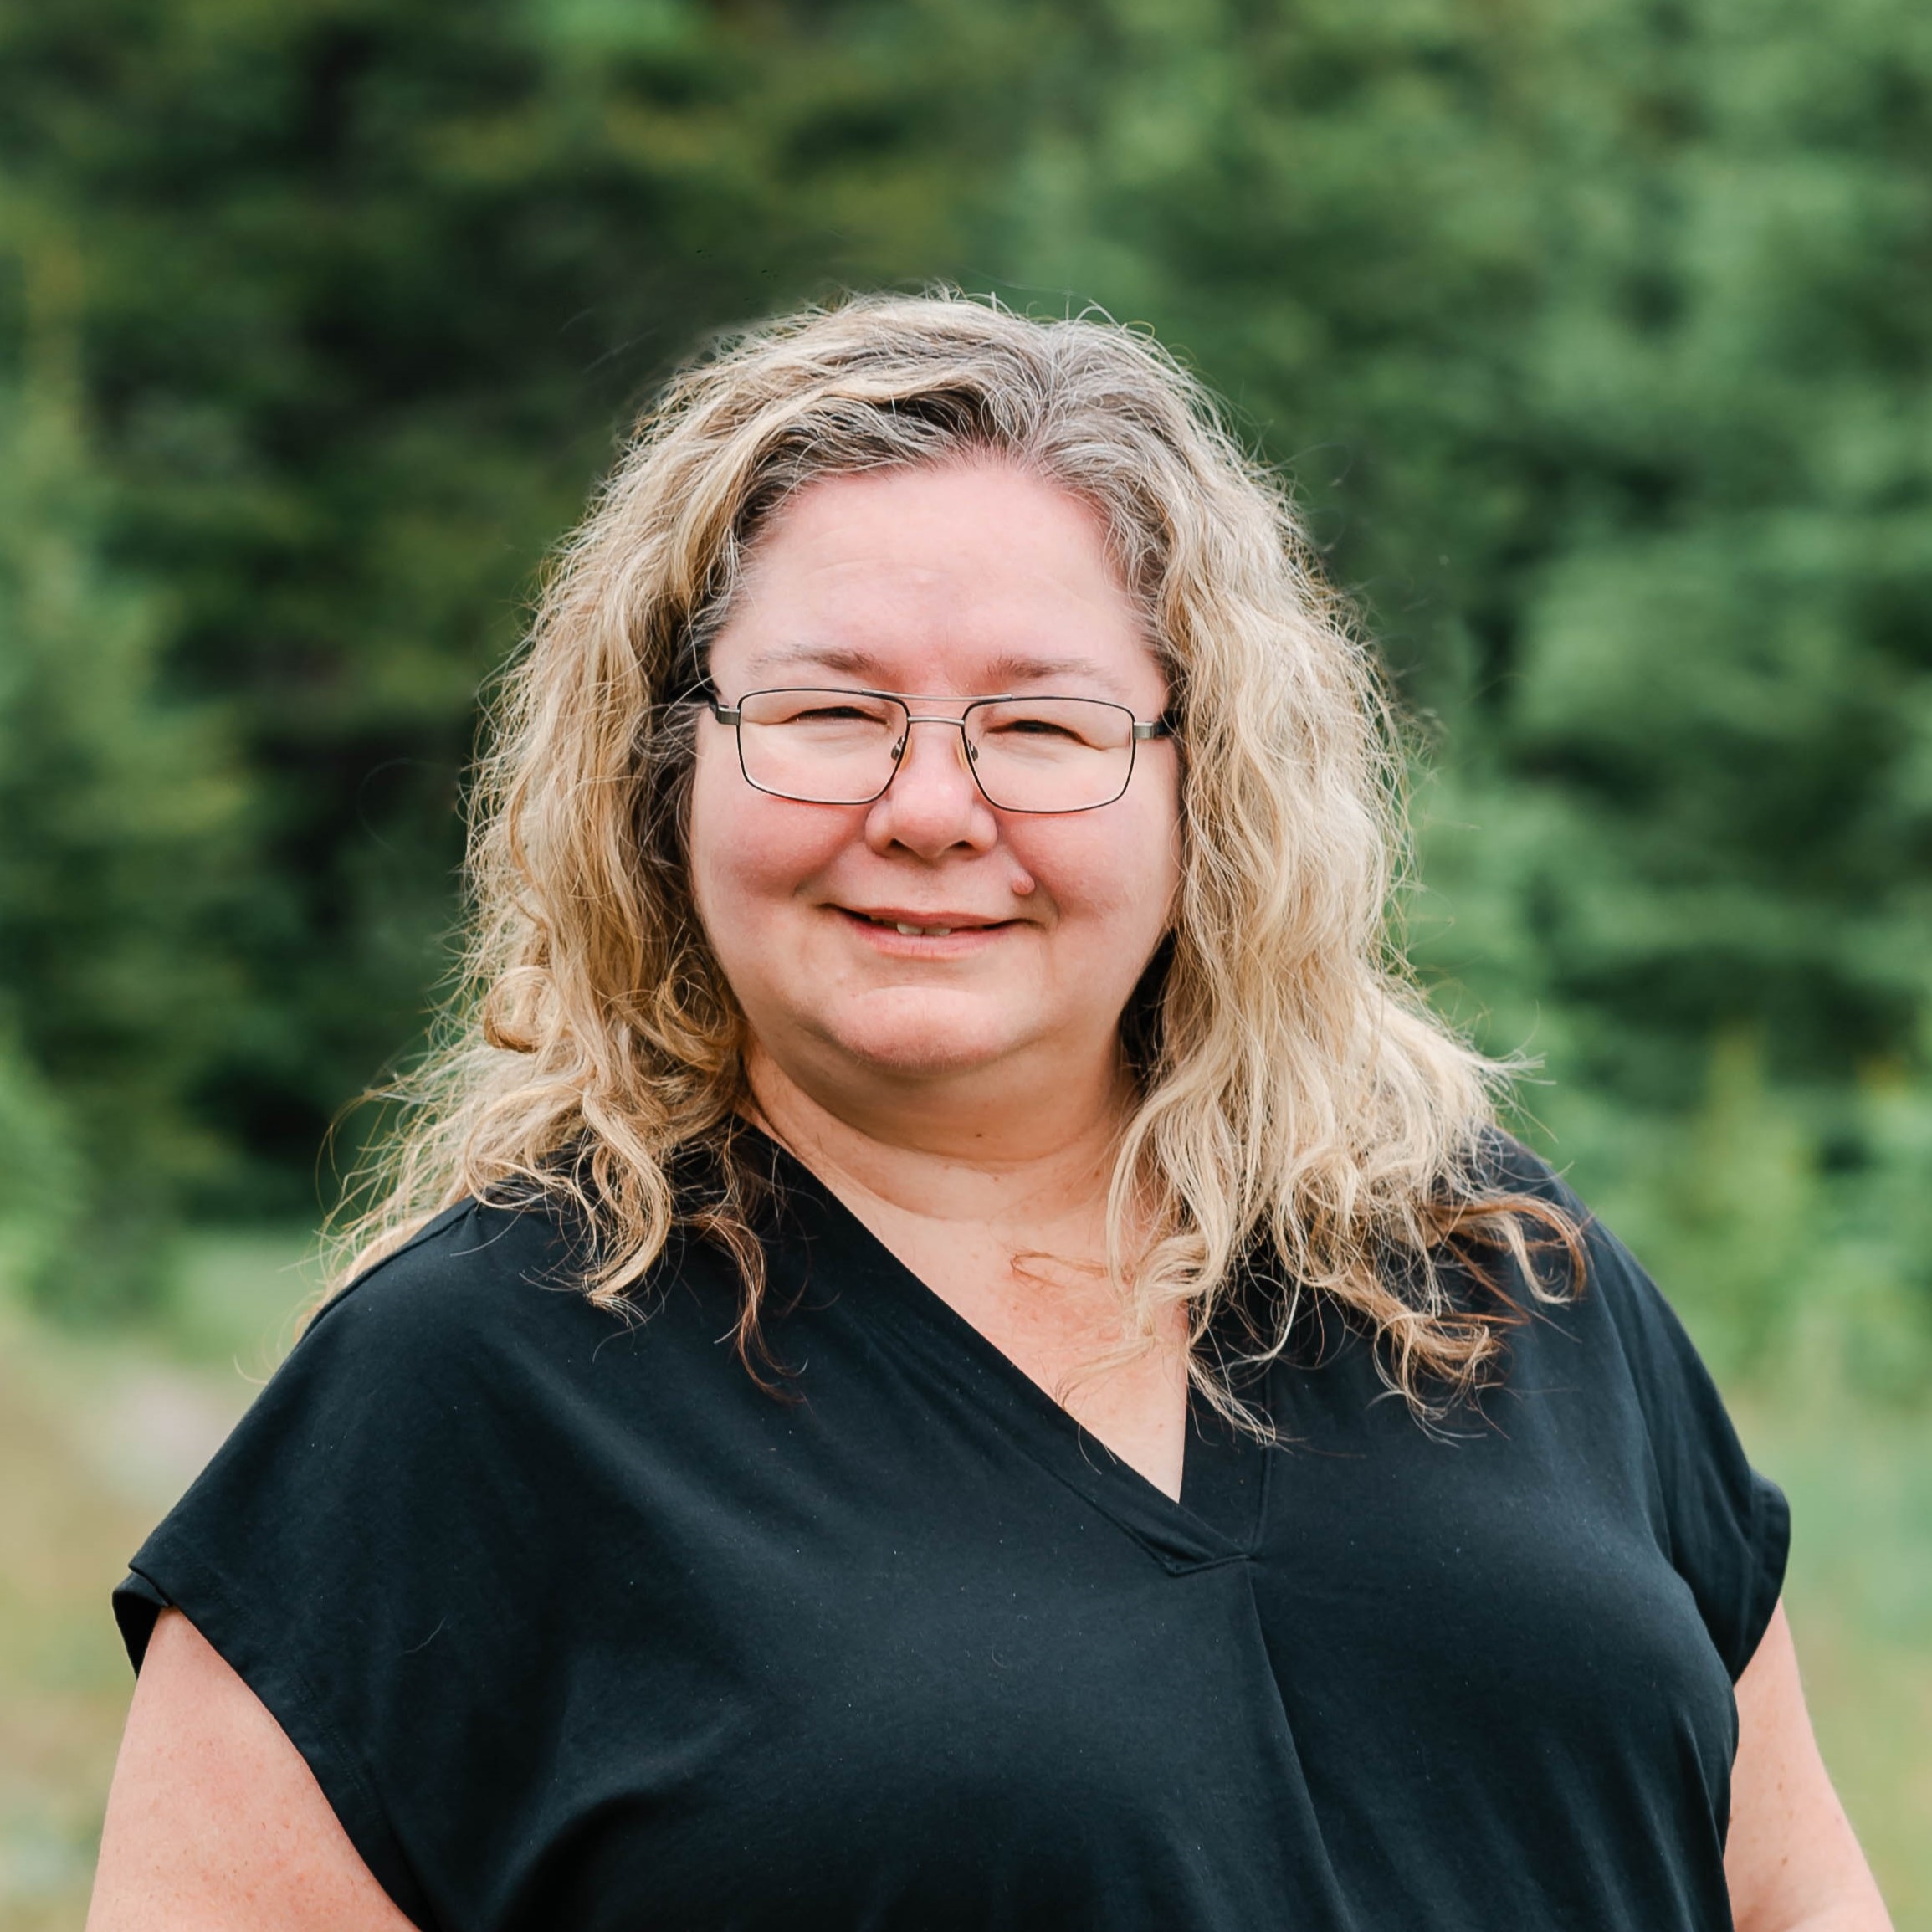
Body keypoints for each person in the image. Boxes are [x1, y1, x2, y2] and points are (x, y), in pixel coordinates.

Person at [89, 294, 1889, 1932]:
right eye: (826, 709)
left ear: (1209, 784)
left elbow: (1802, 1896)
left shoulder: (1502, 1277)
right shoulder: (464, 1394)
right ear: (665, 772)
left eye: (1040, 727)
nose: (932, 807)